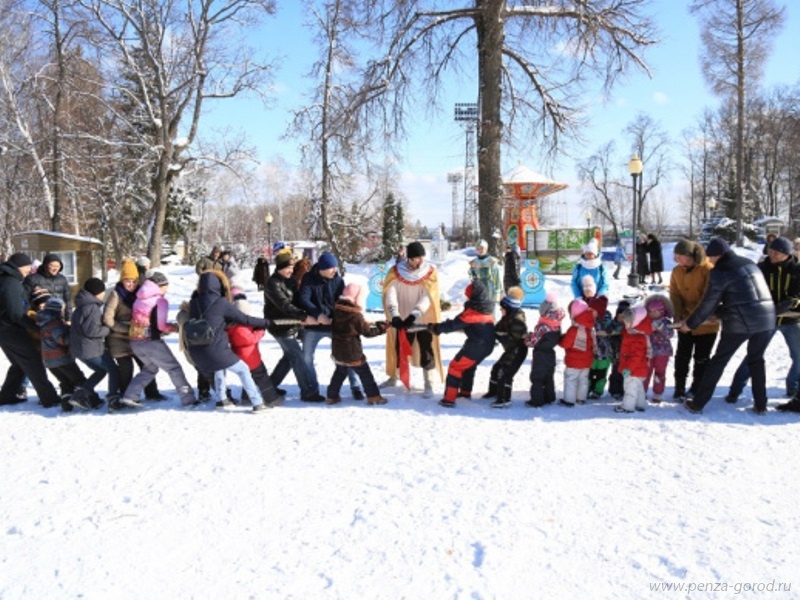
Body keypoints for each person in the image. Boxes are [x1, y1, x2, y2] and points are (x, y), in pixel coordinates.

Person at [680, 238, 775, 415]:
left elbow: (708, 303)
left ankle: (698, 403)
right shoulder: (750, 263)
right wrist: (721, 312)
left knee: (718, 361)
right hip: (767, 319)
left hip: (740, 322)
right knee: (756, 360)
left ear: (718, 256)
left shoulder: (721, 272)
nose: (709, 261)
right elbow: (746, 297)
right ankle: (761, 404)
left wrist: (690, 324)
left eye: (711, 258)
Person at [185, 271, 272, 413]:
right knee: (243, 369)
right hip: (215, 349)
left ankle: (222, 400)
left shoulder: (194, 303)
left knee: (219, 368)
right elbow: (245, 319)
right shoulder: (221, 302)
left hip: (196, 351)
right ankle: (257, 403)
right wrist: (266, 323)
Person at [727, 236, 800, 403]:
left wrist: (792, 302)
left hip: (792, 320)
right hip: (766, 319)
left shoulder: (797, 269)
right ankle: (735, 390)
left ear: (787, 254)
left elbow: (798, 293)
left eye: (777, 252)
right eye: (771, 251)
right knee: (753, 355)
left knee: (799, 356)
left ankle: (793, 387)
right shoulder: (760, 268)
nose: (772, 255)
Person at [122, 272, 197, 409]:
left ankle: (130, 396)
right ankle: (188, 399)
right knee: (174, 368)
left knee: (150, 369)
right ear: (160, 285)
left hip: (135, 341)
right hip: (151, 341)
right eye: (166, 286)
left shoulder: (139, 298)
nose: (167, 289)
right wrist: (175, 328)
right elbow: (161, 325)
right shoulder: (160, 301)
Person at [296, 251, 364, 400]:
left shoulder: (338, 280)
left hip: (335, 325)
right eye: (331, 268)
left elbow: (343, 301)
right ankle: (312, 389)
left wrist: (342, 317)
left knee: (349, 354)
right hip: (313, 326)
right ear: (322, 268)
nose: (335, 270)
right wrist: (318, 314)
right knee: (306, 357)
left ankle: (356, 386)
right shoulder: (308, 279)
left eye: (335, 267)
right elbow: (304, 300)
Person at [381, 241, 444, 397]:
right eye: (416, 258)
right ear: (409, 258)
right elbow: (391, 293)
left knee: (426, 349)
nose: (420, 260)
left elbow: (428, 297)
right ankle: (394, 376)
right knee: (400, 348)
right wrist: (395, 314)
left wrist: (414, 314)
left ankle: (428, 383)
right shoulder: (395, 272)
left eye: (421, 257)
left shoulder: (430, 272)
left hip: (423, 319)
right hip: (402, 319)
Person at [0, 253, 62, 408]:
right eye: (27, 268)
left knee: (19, 364)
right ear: (20, 266)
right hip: (11, 330)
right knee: (33, 361)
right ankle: (50, 398)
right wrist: (34, 325)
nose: (29, 270)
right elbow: (16, 313)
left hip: (4, 330)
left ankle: (6, 396)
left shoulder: (5, 279)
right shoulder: (11, 283)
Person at [103, 258, 165, 402]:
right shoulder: (115, 294)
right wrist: (126, 329)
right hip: (118, 336)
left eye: (134, 281)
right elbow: (108, 319)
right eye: (127, 281)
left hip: (137, 335)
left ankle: (152, 392)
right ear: (122, 280)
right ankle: (127, 395)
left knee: (146, 364)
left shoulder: (140, 293)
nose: (131, 285)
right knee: (126, 367)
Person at [428, 280, 495, 408]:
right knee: (469, 366)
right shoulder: (484, 308)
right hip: (486, 346)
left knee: (455, 367)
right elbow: (460, 322)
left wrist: (437, 328)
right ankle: (465, 392)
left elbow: (455, 324)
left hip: (477, 346)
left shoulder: (474, 312)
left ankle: (449, 399)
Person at [263, 251, 320, 401]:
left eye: (293, 267)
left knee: (289, 358)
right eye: (289, 267)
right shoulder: (272, 283)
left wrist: (311, 312)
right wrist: (304, 316)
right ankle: (308, 392)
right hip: (279, 326)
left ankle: (269, 387)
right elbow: (284, 305)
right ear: (281, 267)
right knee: (297, 357)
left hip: (294, 322)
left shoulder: (291, 280)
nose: (291, 270)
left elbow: (298, 300)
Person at [669, 239, 719, 400]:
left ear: (691, 256)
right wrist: (677, 314)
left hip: (706, 323)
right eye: (676, 257)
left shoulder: (708, 270)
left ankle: (697, 388)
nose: (677, 260)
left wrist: (695, 318)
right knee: (682, 356)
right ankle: (679, 388)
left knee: (701, 358)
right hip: (684, 323)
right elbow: (675, 294)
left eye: (680, 256)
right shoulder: (677, 271)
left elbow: (708, 298)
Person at [326, 282, 388, 406]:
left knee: (339, 373)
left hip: (338, 350)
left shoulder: (337, 311)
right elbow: (367, 332)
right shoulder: (355, 316)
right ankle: (373, 396)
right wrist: (382, 328)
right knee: (365, 374)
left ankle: (331, 396)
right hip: (353, 352)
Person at [224, 288, 283, 408]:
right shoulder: (240, 329)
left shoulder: (232, 326)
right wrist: (260, 331)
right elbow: (250, 339)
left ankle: (246, 397)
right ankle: (272, 399)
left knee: (248, 378)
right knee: (262, 378)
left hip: (241, 358)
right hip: (250, 358)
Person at [36, 296, 96, 412]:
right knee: (79, 379)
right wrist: (72, 332)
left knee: (65, 382)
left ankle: (66, 404)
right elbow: (63, 340)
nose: (63, 311)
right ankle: (92, 400)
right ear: (57, 310)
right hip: (61, 358)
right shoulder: (55, 324)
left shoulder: (44, 323)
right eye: (62, 309)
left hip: (49, 361)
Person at [70, 277, 121, 408]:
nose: (104, 294)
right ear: (97, 292)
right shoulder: (92, 308)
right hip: (91, 349)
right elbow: (92, 331)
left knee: (100, 371)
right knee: (113, 370)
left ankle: (81, 394)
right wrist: (108, 329)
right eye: (103, 291)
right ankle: (113, 398)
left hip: (79, 350)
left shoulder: (80, 305)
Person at [482, 286, 528, 408]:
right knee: (497, 368)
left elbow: (513, 339)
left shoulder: (517, 320)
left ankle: (504, 399)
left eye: (502, 308)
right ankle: (494, 392)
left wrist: (500, 335)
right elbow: (496, 329)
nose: (500, 310)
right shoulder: (507, 317)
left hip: (518, 350)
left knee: (505, 373)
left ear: (509, 308)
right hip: (510, 350)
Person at [524, 293, 564, 408]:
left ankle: (537, 400)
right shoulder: (557, 324)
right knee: (548, 377)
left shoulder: (543, 326)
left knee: (537, 378)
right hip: (551, 353)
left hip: (540, 354)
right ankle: (549, 397)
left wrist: (527, 338)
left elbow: (533, 341)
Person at [614, 305, 653, 413]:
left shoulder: (637, 338)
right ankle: (640, 404)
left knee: (630, 389)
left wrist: (629, 368)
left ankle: (627, 407)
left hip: (633, 370)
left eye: (626, 322)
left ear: (634, 323)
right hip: (640, 370)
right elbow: (625, 333)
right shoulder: (635, 332)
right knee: (639, 388)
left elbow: (637, 356)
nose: (624, 324)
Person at [559, 298, 596, 406]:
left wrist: (560, 340)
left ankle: (569, 400)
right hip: (587, 360)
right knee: (583, 379)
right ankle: (581, 398)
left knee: (571, 379)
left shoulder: (574, 329)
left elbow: (566, 343)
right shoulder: (590, 328)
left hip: (573, 361)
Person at [23, 252, 73, 322]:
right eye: (52, 266)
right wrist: (30, 313)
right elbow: (24, 299)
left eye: (57, 266)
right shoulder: (32, 279)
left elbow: (67, 300)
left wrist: (69, 319)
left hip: (59, 317)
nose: (55, 269)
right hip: (39, 317)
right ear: (45, 265)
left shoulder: (62, 279)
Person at [643, 294, 674, 403]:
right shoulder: (646, 321)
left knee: (660, 373)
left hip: (663, 352)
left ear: (661, 311)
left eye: (655, 311)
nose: (652, 314)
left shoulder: (666, 322)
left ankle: (658, 393)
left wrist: (660, 327)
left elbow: (670, 334)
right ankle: (642, 392)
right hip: (649, 351)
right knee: (646, 372)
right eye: (650, 311)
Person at [469, 240, 503, 308]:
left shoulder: (491, 261)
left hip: (490, 288)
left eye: (482, 248)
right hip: (478, 288)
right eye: (478, 248)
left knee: (490, 308)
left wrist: (498, 291)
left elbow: (497, 277)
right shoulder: (474, 262)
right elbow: (472, 276)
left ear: (486, 249)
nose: (480, 250)